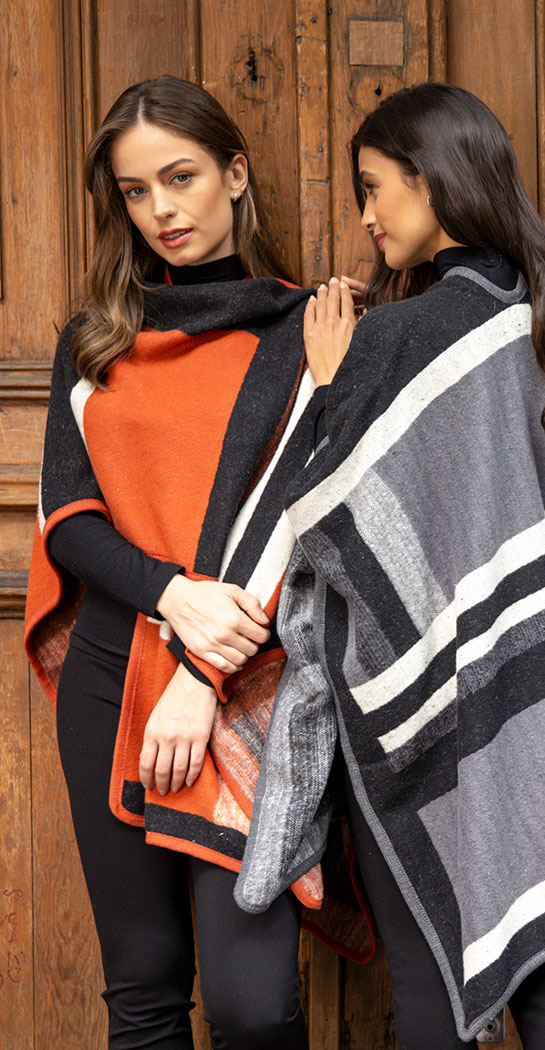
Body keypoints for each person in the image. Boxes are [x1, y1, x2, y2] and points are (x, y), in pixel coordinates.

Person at [235, 83, 545, 1049]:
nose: (367, 216)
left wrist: (333, 387)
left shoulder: (396, 338)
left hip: (423, 700)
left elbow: (324, 525)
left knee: (428, 981)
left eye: (374, 188)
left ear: (430, 183)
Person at [23, 74, 373, 1050]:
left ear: (236, 173)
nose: (161, 211)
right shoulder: (98, 339)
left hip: (254, 681)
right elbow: (69, 521)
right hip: (112, 669)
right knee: (142, 990)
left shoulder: (306, 332)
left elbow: (311, 519)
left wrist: (201, 669)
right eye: (136, 191)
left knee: (252, 1006)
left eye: (180, 178)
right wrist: (172, 596)